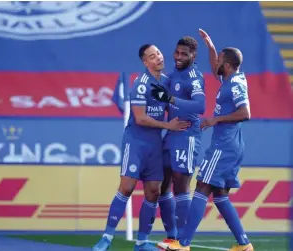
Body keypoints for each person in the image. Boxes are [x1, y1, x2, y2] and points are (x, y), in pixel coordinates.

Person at [92, 44, 190, 251]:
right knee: (126, 187)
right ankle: (106, 238)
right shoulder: (140, 84)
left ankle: (142, 242)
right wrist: (167, 126)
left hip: (155, 145)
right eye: (153, 57)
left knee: (153, 192)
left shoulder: (167, 82)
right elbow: (140, 118)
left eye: (160, 54)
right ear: (146, 62)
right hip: (136, 142)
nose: (159, 58)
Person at [166, 29, 254, 251]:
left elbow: (246, 113)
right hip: (228, 145)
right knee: (220, 196)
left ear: (226, 64)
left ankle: (183, 243)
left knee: (201, 186)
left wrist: (216, 119)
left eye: (219, 60)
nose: (215, 62)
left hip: (223, 146)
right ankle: (244, 244)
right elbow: (217, 64)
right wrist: (211, 46)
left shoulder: (235, 85)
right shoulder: (230, 78)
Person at [151, 37, 206, 249]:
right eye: (177, 53)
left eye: (184, 54)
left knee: (181, 186)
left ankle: (184, 242)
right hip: (171, 134)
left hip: (187, 135)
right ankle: (172, 237)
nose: (179, 57)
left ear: (193, 55)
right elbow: (159, 92)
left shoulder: (194, 78)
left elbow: (200, 106)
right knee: (161, 186)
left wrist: (171, 99)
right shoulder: (172, 74)